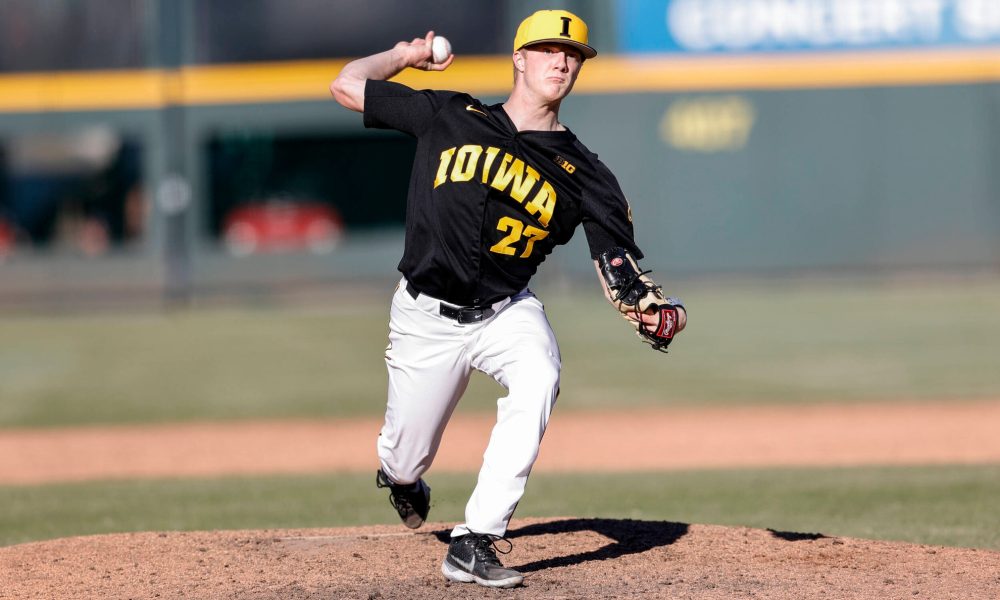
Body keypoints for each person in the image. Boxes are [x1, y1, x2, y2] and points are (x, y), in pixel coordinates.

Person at [330, 9, 686, 589]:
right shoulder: (450, 114)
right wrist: (404, 56)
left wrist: (646, 306)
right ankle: (401, 482)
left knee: (540, 372)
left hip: (505, 310)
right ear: (519, 58)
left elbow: (618, 267)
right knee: (403, 458)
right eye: (548, 49)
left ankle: (474, 540)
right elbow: (345, 84)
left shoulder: (586, 175)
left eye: (572, 54)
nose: (561, 61)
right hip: (425, 315)